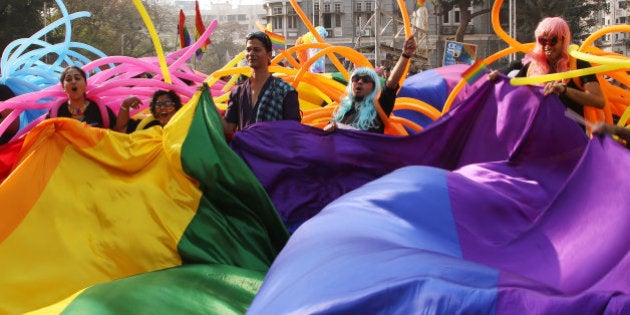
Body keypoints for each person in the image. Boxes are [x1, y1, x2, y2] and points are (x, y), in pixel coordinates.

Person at [491, 17, 604, 120]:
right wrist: (497, 80)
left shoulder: (578, 65)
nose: (547, 45)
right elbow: (510, 92)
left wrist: (564, 90)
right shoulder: (531, 67)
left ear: (563, 40)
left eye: (553, 40)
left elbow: (598, 100)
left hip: (570, 137)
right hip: (539, 136)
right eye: (543, 41)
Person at [323, 35, 418, 134]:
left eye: (366, 79)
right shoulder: (342, 111)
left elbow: (391, 83)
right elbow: (324, 135)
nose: (360, 82)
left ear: (373, 86)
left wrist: (405, 55)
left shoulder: (379, 107)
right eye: (356, 78)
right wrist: (329, 128)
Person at [222, 31, 301, 134]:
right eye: (248, 50)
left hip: (273, 149)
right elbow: (228, 127)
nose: (251, 53)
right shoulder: (238, 92)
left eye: (256, 50)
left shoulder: (285, 91)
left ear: (269, 54)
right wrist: (207, 104)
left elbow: (294, 131)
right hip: (245, 149)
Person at [48, 66, 117, 129]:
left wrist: (125, 107)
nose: (73, 81)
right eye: (68, 79)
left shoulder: (100, 109)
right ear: (63, 87)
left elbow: (117, 135)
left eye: (77, 78)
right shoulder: (56, 112)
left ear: (85, 84)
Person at [114, 90, 183, 133]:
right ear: (154, 110)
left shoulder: (184, 125)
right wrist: (125, 105)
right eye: (159, 104)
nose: (162, 107)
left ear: (176, 107)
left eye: (168, 103)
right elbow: (121, 129)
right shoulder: (148, 125)